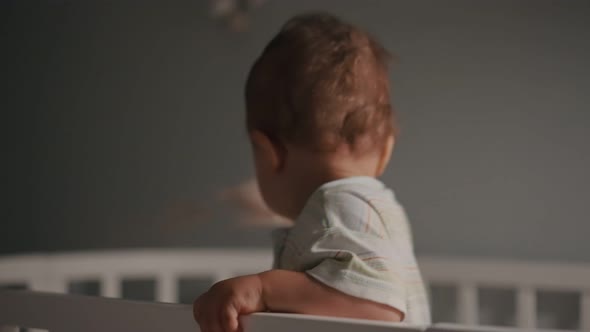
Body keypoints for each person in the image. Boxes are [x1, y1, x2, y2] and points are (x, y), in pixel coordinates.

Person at [193, 12, 431, 332]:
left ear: (269, 153)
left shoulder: (336, 206)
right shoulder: (373, 206)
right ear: (386, 151)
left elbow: (378, 305)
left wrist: (264, 290)